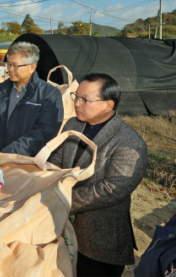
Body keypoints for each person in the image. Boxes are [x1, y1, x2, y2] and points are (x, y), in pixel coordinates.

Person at [48, 73, 148, 277]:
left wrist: (63, 200)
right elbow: (57, 161)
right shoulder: (73, 125)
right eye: (76, 96)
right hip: (60, 228)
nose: (77, 103)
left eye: (85, 99)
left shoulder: (128, 142)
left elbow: (111, 190)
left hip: (99, 241)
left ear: (108, 105)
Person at [0, 41, 63, 156]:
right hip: (0, 157)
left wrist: (9, 153)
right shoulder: (3, 90)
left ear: (32, 68)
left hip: (27, 163)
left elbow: (45, 133)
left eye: (15, 65)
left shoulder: (49, 94)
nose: (10, 69)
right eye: (9, 64)